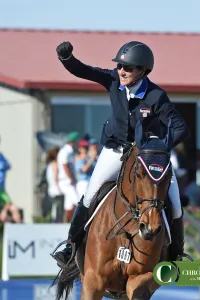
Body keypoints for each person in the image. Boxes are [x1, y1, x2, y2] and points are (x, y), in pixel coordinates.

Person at [52, 40, 190, 267]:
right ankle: (70, 246)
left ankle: (176, 255)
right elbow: (84, 71)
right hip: (115, 150)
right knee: (90, 193)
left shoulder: (156, 96)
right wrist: (67, 59)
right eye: (119, 67)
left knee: (174, 202)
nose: (121, 71)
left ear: (142, 71)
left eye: (127, 68)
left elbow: (181, 128)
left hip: (146, 155)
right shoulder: (114, 80)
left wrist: (159, 148)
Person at [57, 131, 79, 221]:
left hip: (68, 181)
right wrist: (71, 178)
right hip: (66, 181)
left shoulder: (69, 151)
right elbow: (65, 166)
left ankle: (66, 221)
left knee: (69, 204)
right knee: (77, 201)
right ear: (72, 142)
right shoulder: (65, 152)